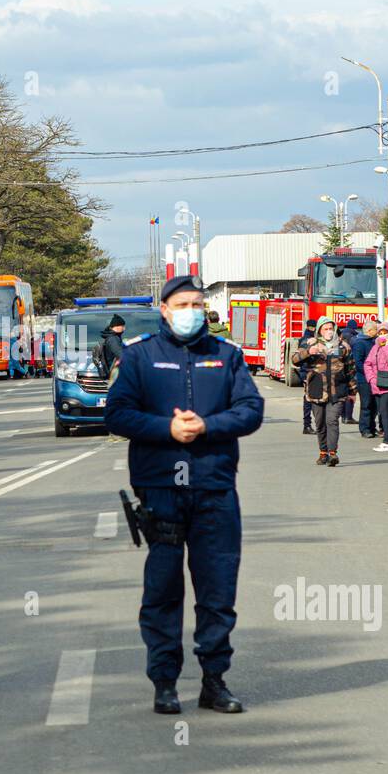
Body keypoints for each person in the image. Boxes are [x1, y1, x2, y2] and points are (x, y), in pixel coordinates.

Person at [105, 274, 264, 715]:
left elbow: (251, 410)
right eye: (182, 304)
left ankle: (214, 681)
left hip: (214, 488)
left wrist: (208, 426)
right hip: (161, 491)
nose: (191, 311)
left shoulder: (226, 356)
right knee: (163, 591)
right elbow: (117, 414)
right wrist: (167, 429)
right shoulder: (139, 357)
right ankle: (164, 682)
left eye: (197, 304)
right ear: (165, 310)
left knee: (217, 590)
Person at [290, 317, 356, 467]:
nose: (328, 331)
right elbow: (294, 360)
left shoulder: (343, 346)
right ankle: (323, 452)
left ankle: (333, 453)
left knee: (332, 421)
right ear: (319, 330)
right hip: (317, 391)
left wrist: (353, 391)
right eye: (325, 329)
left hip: (337, 391)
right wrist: (308, 352)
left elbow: (351, 370)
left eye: (331, 328)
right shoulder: (311, 344)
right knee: (320, 424)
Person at [364, 323, 388, 451]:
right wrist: (371, 378)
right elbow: (367, 363)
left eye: (385, 333)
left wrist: (386, 346)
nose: (382, 336)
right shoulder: (375, 347)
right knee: (386, 413)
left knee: (385, 411)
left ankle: (387, 441)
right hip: (377, 385)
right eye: (380, 333)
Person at [350, 320, 378, 438]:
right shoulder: (360, 343)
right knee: (366, 404)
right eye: (376, 329)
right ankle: (365, 429)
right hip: (364, 379)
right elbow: (358, 362)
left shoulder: (373, 342)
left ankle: (372, 427)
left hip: (375, 378)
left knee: (375, 405)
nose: (377, 332)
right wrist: (369, 373)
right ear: (369, 331)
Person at [299, 317, 318, 435]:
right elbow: (302, 357)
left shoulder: (305, 338)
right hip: (307, 371)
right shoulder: (307, 340)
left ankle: (308, 424)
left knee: (310, 399)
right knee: (308, 399)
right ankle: (307, 425)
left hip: (306, 371)